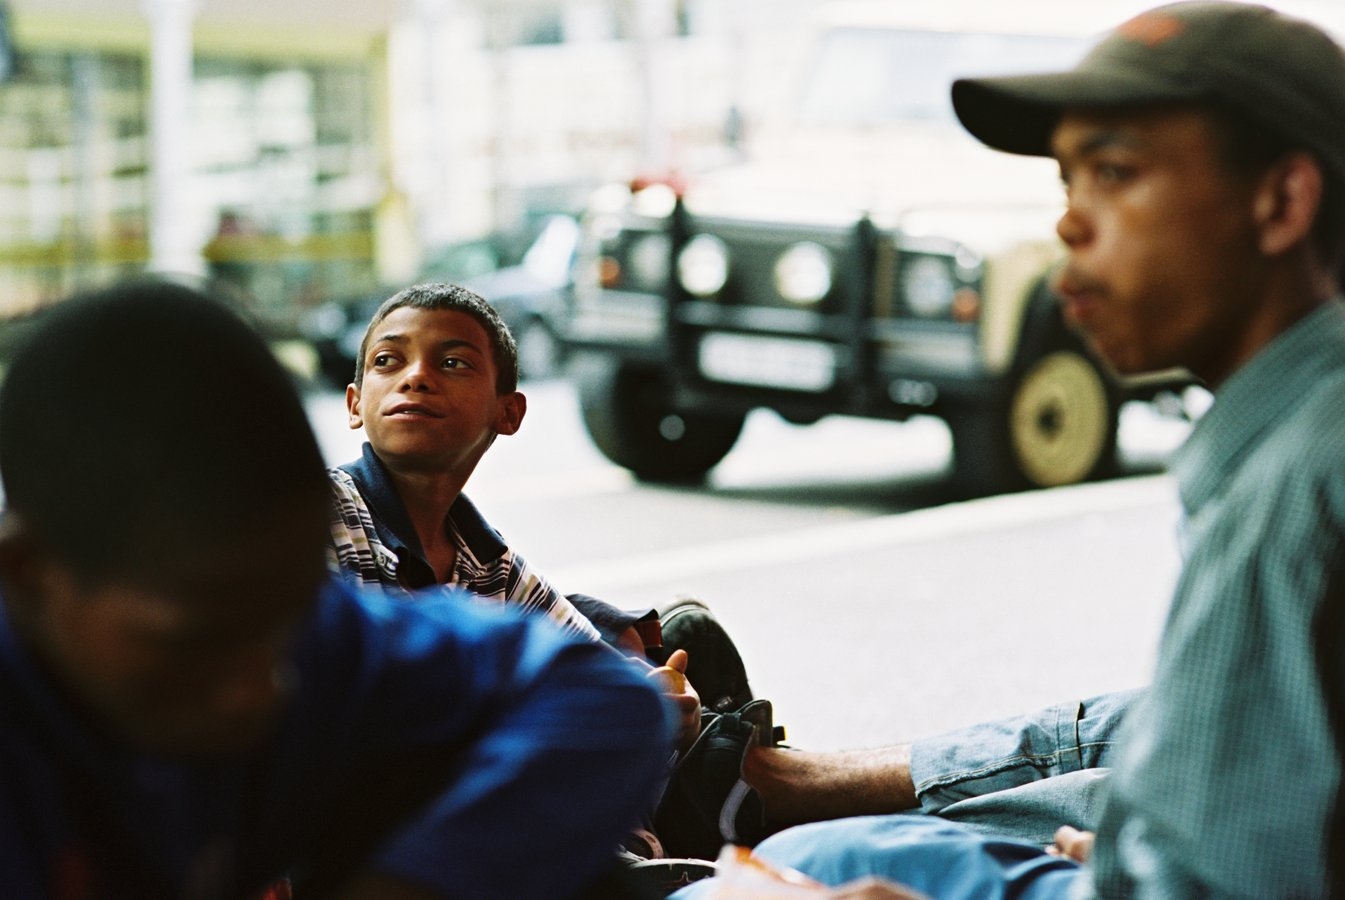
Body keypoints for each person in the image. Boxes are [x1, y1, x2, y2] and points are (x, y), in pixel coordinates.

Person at [678, 1, 1345, 896]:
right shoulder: (1291, 434)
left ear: (1280, 202)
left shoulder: (1295, 489)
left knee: (768, 879)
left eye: (1113, 173)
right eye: (1068, 182)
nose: (1070, 223)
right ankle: (793, 793)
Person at [0, 279, 674, 898]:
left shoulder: (297, 637)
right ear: (27, 575)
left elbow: (601, 695)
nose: (258, 691)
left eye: (285, 614)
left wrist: (416, 882)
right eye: (194, 642)